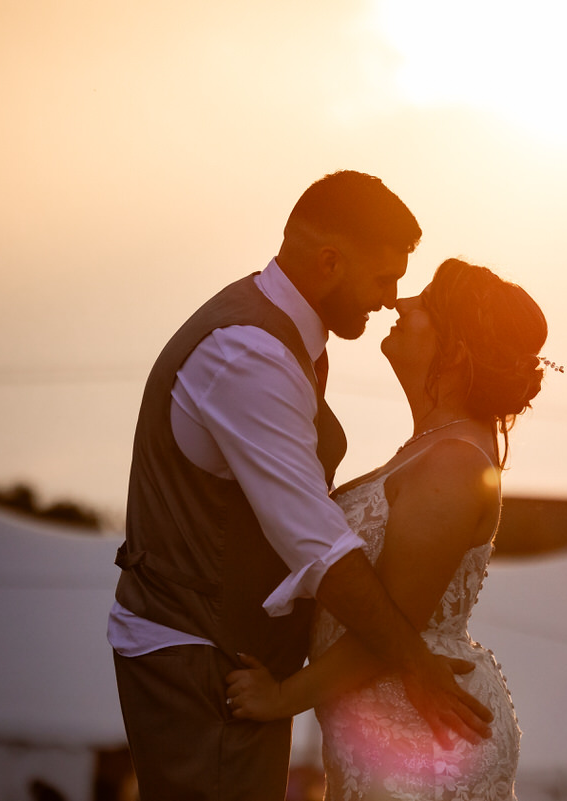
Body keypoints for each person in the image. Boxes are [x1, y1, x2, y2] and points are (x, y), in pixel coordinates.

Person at [109, 172, 492, 801]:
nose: (392, 298)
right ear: (330, 262)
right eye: (383, 277)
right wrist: (414, 664)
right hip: (203, 659)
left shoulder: (278, 338)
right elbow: (313, 543)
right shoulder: (249, 354)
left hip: (229, 661)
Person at [225, 258, 549, 801]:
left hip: (426, 734)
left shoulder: (454, 464)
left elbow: (392, 622)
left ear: (457, 348)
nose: (401, 304)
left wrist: (281, 697)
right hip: (382, 722)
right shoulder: (432, 448)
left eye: (423, 302)